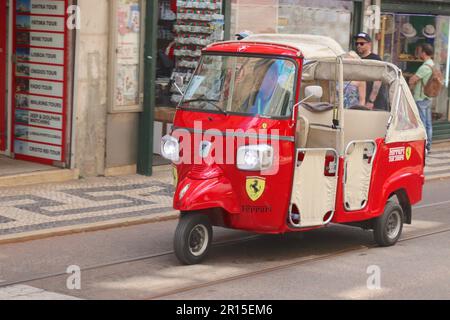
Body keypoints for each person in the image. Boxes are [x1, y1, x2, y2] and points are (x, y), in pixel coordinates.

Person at [409, 43, 435, 153]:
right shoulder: (432, 64)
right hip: (428, 97)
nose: (420, 53)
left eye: (420, 51)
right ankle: (428, 145)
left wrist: (411, 80)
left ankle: (424, 146)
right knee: (428, 123)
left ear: (424, 53)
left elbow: (413, 80)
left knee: (422, 123)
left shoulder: (425, 67)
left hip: (421, 98)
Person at [353, 32, 388, 110]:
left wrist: (371, 101)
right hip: (360, 100)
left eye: (362, 43)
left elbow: (378, 82)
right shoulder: (356, 58)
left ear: (369, 44)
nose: (358, 46)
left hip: (375, 102)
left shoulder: (375, 59)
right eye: (357, 43)